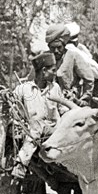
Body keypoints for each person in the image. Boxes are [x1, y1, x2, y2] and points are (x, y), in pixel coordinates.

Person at [10, 51, 64, 179]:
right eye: (53, 70)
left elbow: (62, 109)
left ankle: (21, 163)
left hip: (54, 130)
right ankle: (20, 165)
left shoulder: (55, 88)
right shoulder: (24, 89)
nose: (55, 73)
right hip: (33, 131)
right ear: (44, 71)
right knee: (35, 127)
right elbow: (13, 107)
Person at [45, 24, 95, 107]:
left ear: (64, 45)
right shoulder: (44, 57)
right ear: (48, 46)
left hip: (68, 102)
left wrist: (83, 100)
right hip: (48, 101)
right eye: (52, 48)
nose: (56, 51)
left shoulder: (73, 56)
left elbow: (89, 79)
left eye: (59, 47)